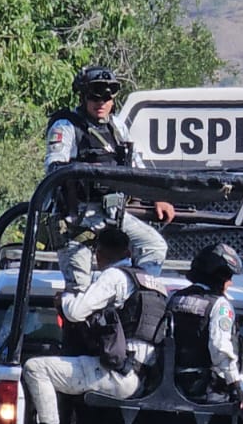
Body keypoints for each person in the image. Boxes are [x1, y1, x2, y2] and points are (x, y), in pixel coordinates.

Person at [22, 227, 170, 424]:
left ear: (98, 254)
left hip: (119, 374)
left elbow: (76, 312)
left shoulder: (114, 276)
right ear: (129, 252)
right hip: (147, 379)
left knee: (35, 368)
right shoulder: (156, 284)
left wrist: (65, 299)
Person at [44, 65, 172, 290]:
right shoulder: (66, 125)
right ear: (83, 96)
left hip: (113, 213)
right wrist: (86, 170)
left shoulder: (117, 126)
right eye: (95, 95)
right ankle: (80, 309)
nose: (101, 102)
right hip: (77, 217)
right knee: (79, 287)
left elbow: (137, 167)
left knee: (154, 246)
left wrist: (157, 197)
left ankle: (132, 296)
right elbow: (55, 168)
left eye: (107, 96)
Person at [169, 243, 243, 419]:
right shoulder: (220, 305)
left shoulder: (175, 299)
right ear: (218, 276)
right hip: (210, 385)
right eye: (228, 276)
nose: (230, 282)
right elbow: (220, 349)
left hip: (175, 385)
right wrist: (237, 387)